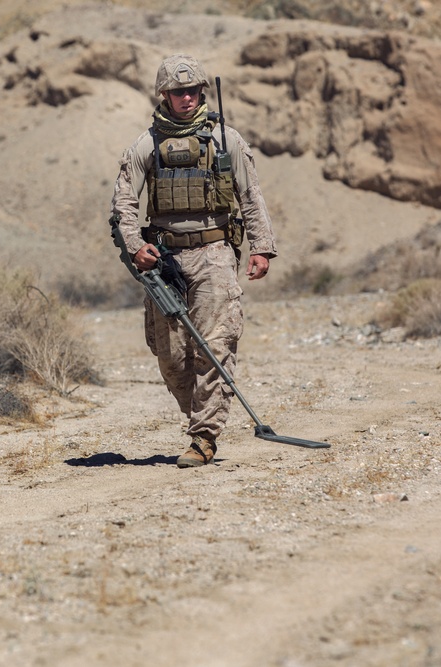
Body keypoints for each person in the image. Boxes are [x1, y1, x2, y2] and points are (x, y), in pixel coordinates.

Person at [110, 54, 278, 468]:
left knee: (215, 347)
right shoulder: (145, 145)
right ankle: (201, 415)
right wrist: (134, 246)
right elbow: (124, 205)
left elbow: (251, 196)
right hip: (164, 260)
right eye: (176, 91)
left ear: (202, 90)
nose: (185, 98)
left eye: (192, 90)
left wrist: (262, 246)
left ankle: (204, 437)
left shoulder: (227, 140)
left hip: (214, 255)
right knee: (170, 357)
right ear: (163, 95)